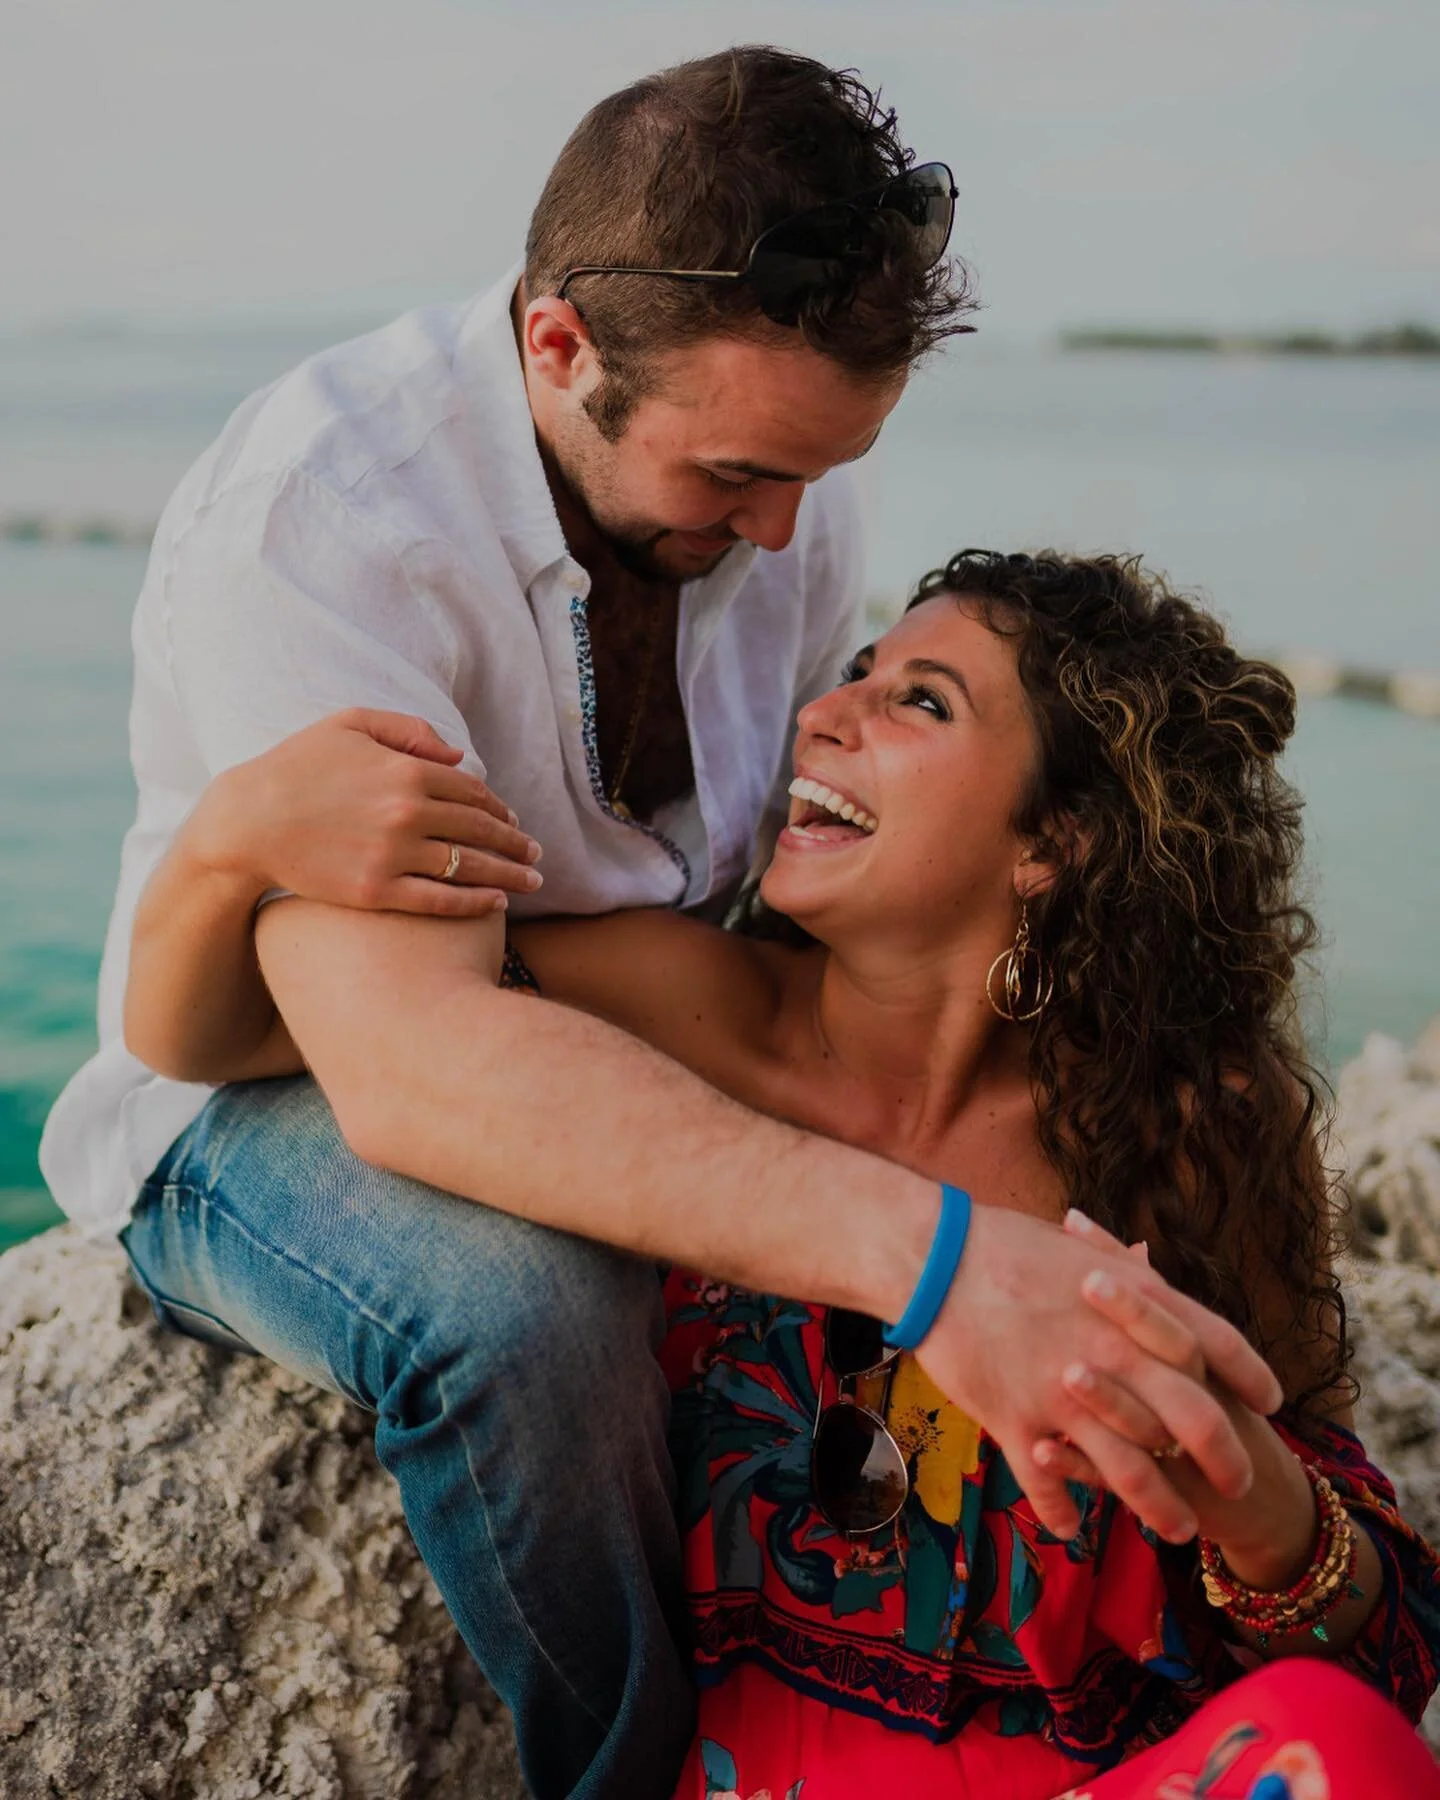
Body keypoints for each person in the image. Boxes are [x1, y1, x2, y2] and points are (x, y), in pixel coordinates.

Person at [47, 45, 1286, 1800]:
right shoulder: (323, 528)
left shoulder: (776, 471)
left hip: (620, 1003)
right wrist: (940, 1261)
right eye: (734, 479)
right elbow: (412, 1072)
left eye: (819, 473)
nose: (785, 532)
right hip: (281, 1083)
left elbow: (781, 875)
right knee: (526, 1313)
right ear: (560, 347)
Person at [123, 550, 1440, 1797]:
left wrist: (1262, 1508)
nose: (824, 713)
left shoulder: (1183, 1129)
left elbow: (1390, 1652)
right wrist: (224, 849)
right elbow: (239, 1040)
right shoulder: (674, 1009)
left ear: (1060, 843)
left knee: (1335, 1744)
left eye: (916, 701)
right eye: (855, 668)